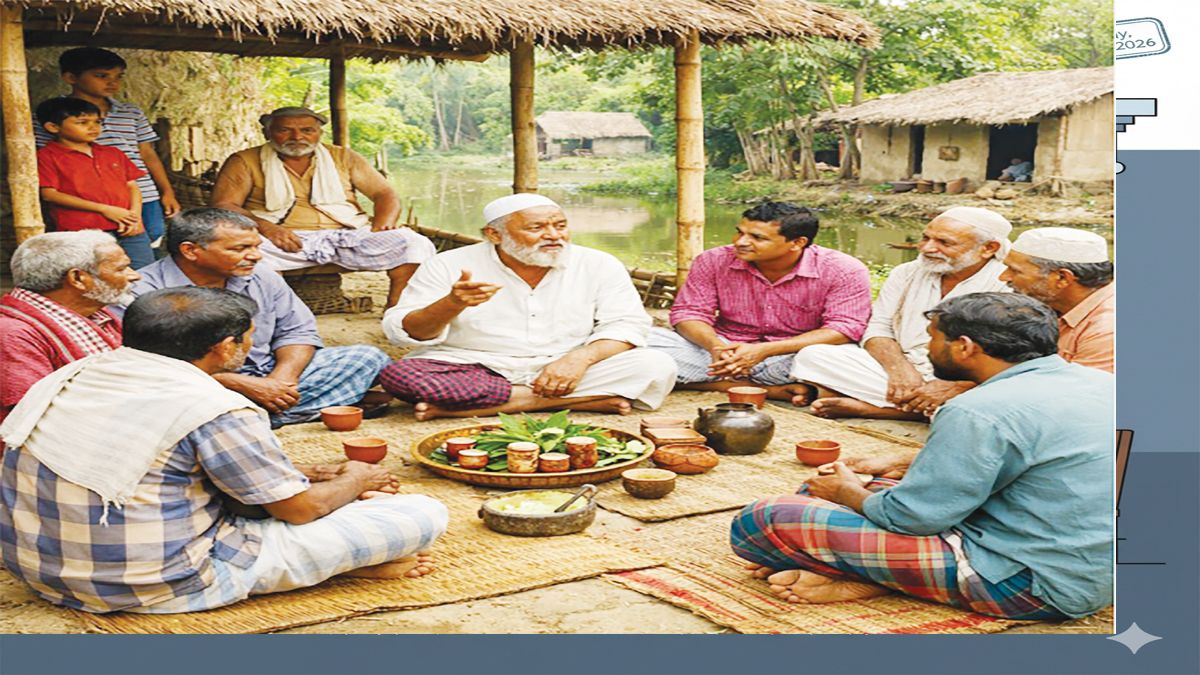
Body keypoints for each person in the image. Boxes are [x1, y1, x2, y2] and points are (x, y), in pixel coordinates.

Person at [0, 287, 448, 614]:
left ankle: (336, 561)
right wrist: (356, 477)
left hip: (44, 573)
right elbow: (300, 510)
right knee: (421, 513)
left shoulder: (76, 374)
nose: (249, 345)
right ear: (224, 347)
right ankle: (335, 567)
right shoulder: (216, 406)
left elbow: (149, 462)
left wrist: (308, 471)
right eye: (247, 337)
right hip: (161, 585)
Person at [731, 293, 1113, 621]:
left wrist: (847, 493)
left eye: (932, 337)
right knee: (852, 487)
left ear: (964, 346)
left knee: (766, 519)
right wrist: (904, 463)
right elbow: (1037, 462)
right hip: (1104, 570)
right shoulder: (1104, 384)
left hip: (1028, 583)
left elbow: (912, 518)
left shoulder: (976, 409)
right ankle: (874, 571)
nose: (928, 349)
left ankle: (870, 577)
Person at [379, 194, 677, 420]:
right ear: (495, 235)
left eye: (560, 226)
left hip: (567, 366)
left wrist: (580, 359)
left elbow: (627, 324)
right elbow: (404, 331)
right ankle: (566, 401)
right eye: (537, 227)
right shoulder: (448, 264)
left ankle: (479, 406)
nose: (554, 235)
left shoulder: (598, 264)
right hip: (474, 365)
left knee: (655, 365)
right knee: (401, 375)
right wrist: (451, 304)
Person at [120, 208, 391, 427]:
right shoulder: (143, 292)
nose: (255, 256)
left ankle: (249, 416)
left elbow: (297, 331)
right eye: (240, 248)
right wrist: (244, 385)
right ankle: (266, 415)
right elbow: (149, 368)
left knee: (368, 358)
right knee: (171, 399)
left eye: (256, 246)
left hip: (269, 372)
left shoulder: (261, 274)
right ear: (191, 251)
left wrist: (280, 381)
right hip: (201, 384)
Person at [790, 206, 1013, 420]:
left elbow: (1010, 358)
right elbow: (878, 327)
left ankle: (881, 410)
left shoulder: (1008, 283)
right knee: (815, 356)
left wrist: (957, 386)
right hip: (901, 366)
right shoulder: (906, 272)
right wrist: (899, 370)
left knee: (986, 398)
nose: (927, 248)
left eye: (944, 242)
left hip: (963, 379)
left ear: (988, 248)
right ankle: (925, 409)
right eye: (926, 238)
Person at [647, 202, 872, 403]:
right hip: (722, 352)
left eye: (758, 238)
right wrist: (716, 346)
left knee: (830, 358)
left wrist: (764, 351)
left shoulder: (844, 270)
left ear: (797, 243)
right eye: (740, 232)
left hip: (791, 355)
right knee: (644, 340)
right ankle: (765, 389)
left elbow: (844, 328)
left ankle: (708, 382)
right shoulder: (713, 260)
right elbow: (689, 313)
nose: (740, 242)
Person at [210, 107, 436, 308]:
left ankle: (400, 312)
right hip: (279, 238)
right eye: (285, 130)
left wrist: (383, 225)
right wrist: (267, 228)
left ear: (319, 133)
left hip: (346, 234)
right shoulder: (244, 160)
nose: (297, 137)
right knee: (246, 251)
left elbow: (384, 193)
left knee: (413, 244)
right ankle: (275, 313)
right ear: (267, 133)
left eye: (307, 130)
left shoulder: (343, 157)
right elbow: (224, 205)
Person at [33, 47, 180, 259]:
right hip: (84, 200)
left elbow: (147, 153)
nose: (112, 83)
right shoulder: (54, 114)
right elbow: (48, 163)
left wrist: (167, 191)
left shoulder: (131, 112)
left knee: (149, 241)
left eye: (118, 77)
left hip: (141, 192)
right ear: (71, 78)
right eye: (101, 76)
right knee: (97, 255)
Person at [0, 231, 139, 424]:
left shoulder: (98, 313)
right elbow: (32, 414)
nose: (135, 276)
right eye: (121, 269)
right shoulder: (11, 334)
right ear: (78, 279)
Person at [35, 96, 155, 268]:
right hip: (83, 231)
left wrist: (135, 217)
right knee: (98, 275)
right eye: (82, 122)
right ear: (53, 127)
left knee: (144, 271)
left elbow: (132, 186)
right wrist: (105, 209)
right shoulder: (47, 156)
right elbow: (49, 195)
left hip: (128, 226)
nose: (93, 127)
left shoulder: (112, 153)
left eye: (97, 122)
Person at [1000, 227, 1114, 373]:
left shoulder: (1107, 331)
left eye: (1015, 270)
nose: (1003, 277)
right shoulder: (1046, 303)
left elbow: (1081, 386)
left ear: (1062, 278)